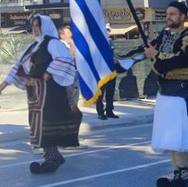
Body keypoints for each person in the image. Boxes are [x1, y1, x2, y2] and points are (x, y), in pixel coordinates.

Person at [0, 14, 78, 173]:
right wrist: (4, 84)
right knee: (37, 125)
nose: (35, 29)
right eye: (34, 26)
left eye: (38, 26)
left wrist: (49, 72)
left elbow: (64, 59)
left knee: (45, 126)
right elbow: (19, 66)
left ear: (45, 26)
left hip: (50, 93)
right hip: (36, 93)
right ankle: (53, 156)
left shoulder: (53, 43)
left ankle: (52, 158)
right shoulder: (33, 46)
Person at [143, 2, 188, 187]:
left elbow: (178, 60)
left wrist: (155, 54)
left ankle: (183, 172)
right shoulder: (164, 35)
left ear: (182, 16)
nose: (168, 17)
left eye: (173, 14)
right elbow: (148, 51)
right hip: (166, 93)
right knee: (170, 137)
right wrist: (122, 60)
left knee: (179, 137)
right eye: (167, 13)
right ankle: (176, 172)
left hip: (183, 94)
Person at [58, 25, 84, 150]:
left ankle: (70, 140)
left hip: (73, 80)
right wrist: (72, 44)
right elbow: (69, 58)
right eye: (69, 32)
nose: (71, 35)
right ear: (62, 35)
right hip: (67, 83)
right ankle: (69, 141)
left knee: (74, 112)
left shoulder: (68, 45)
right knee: (72, 112)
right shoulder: (60, 46)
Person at [95, 24, 118, 120]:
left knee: (110, 92)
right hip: (101, 70)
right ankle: (100, 112)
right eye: (105, 30)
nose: (107, 32)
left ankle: (109, 110)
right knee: (100, 93)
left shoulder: (110, 41)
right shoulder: (97, 42)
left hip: (110, 70)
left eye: (108, 30)